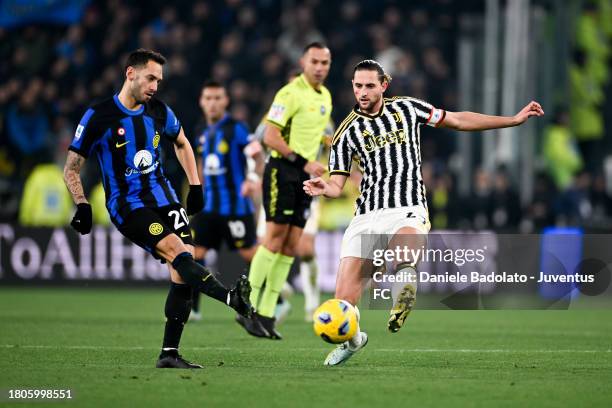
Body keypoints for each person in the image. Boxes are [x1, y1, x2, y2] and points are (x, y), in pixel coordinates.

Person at [304, 59, 544, 366]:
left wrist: (511, 120)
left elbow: (457, 120)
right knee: (343, 301)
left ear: (383, 86)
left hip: (407, 206)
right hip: (366, 216)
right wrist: (324, 187)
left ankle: (403, 288)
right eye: (357, 86)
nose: (362, 92)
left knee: (405, 258)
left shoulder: (407, 108)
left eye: (369, 85)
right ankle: (354, 340)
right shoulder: (346, 133)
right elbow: (337, 184)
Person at [63, 49, 254, 369]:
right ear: (130, 74)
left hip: (165, 198)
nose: (155, 86)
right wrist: (81, 204)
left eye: (159, 80)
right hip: (129, 206)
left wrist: (195, 186)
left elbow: (181, 143)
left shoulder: (159, 112)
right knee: (178, 253)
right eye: (150, 78)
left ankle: (169, 354)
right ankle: (230, 298)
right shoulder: (99, 116)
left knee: (183, 271)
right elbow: (71, 168)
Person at [238, 42, 332, 339]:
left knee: (292, 245)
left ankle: (266, 315)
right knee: (275, 239)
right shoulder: (289, 93)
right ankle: (247, 306)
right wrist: (304, 162)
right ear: (304, 61)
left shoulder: (325, 98)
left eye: (325, 63)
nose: (319, 67)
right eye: (314, 61)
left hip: (304, 176)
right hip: (282, 171)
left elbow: (319, 138)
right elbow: (270, 136)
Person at [189, 80, 265, 327]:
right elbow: (200, 165)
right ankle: (194, 308)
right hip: (208, 208)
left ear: (226, 101)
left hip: (235, 207)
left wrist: (253, 179)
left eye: (217, 98)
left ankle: (269, 300)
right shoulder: (202, 132)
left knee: (250, 255)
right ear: (201, 101)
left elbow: (257, 155)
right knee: (194, 254)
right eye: (208, 98)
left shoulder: (237, 129)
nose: (212, 103)